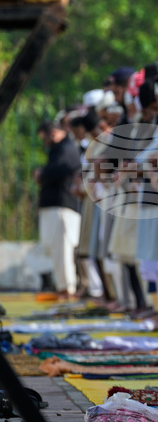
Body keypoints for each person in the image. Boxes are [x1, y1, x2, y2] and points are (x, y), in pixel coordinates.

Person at [36, 121, 82, 295]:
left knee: (63, 249)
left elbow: (60, 169)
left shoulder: (67, 148)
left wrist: (42, 174)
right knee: (54, 249)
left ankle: (67, 288)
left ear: (54, 133)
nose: (45, 142)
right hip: (52, 206)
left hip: (63, 206)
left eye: (45, 137)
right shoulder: (57, 150)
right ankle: (62, 286)